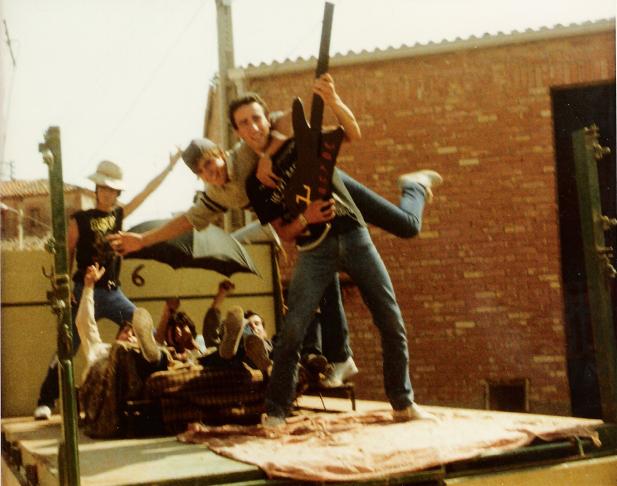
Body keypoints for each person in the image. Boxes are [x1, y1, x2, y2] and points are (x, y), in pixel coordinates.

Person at [243, 73, 438, 427]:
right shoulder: (255, 182)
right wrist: (306, 218)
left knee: (390, 319)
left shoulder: (302, 141)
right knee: (293, 330)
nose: (252, 126)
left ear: (267, 118)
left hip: (353, 235)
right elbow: (283, 231)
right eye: (243, 123)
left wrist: (333, 100)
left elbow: (351, 131)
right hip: (314, 251)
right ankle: (275, 411)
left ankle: (403, 403)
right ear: (238, 132)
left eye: (256, 118)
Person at [33, 151, 180, 420]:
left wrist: (169, 167)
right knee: (67, 345)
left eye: (113, 190)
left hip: (113, 293)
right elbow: (67, 252)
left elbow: (146, 193)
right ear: (97, 189)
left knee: (144, 331)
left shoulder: (119, 215)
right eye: (104, 188)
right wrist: (66, 289)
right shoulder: (80, 219)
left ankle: (161, 386)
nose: (108, 194)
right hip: (84, 292)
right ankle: (45, 401)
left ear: (117, 193)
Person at [74, 263, 169, 438]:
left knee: (161, 355)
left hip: (140, 379)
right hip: (111, 381)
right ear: (117, 336)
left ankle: (153, 353)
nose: (130, 335)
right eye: (127, 332)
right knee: (122, 351)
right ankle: (150, 353)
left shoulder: (137, 352)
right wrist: (88, 287)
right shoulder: (102, 349)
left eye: (134, 334)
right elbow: (85, 323)